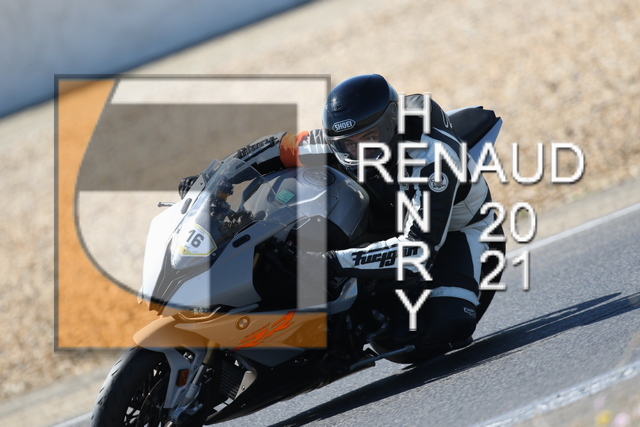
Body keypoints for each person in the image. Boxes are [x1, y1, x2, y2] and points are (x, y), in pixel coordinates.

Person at [179, 74, 505, 357]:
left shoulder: (433, 159)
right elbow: (277, 147)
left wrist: (329, 261)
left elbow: (417, 251)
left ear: (392, 123)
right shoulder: (340, 140)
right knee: (302, 190)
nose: (359, 150)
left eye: (370, 139)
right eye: (349, 143)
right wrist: (217, 180)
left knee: (437, 327)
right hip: (388, 212)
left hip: (460, 232)